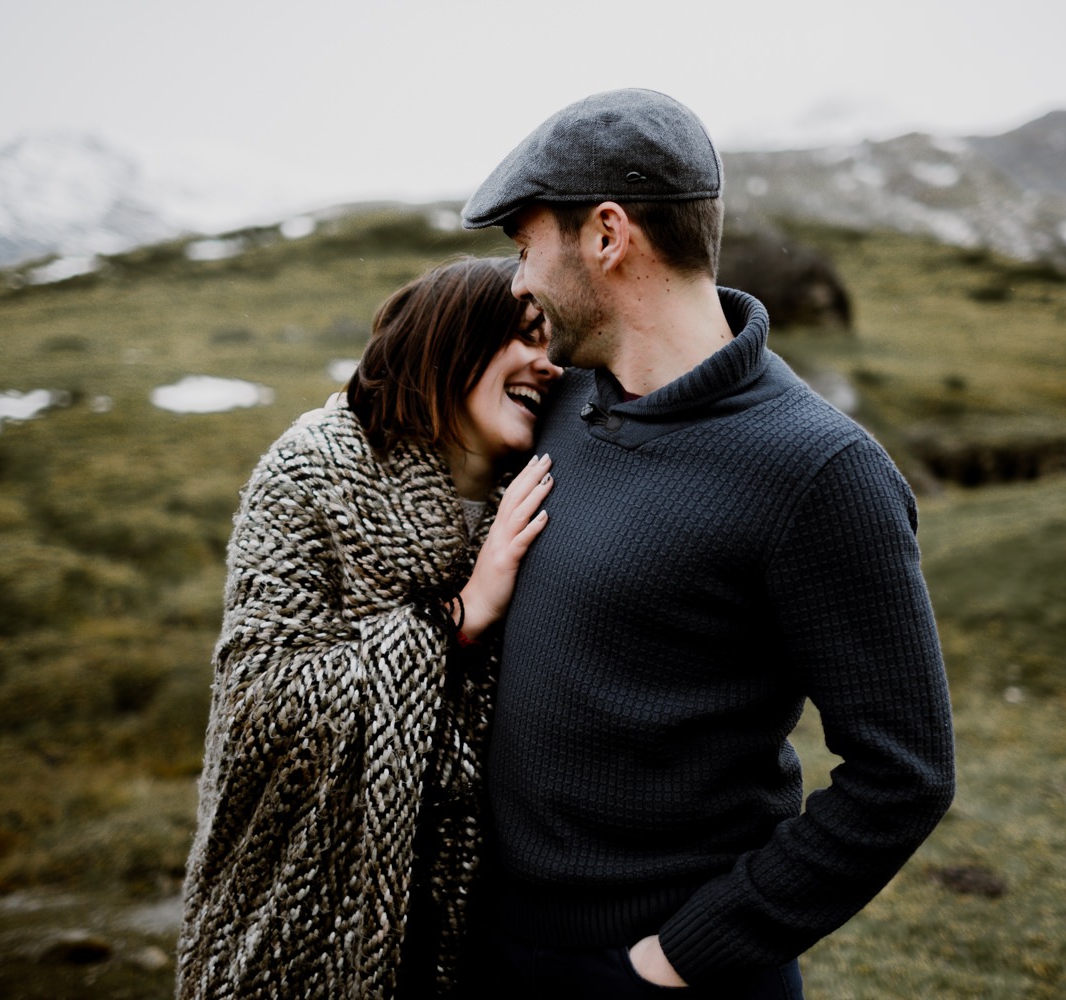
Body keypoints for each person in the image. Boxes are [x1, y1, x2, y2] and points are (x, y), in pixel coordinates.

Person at [460, 89, 957, 997]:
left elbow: (905, 775)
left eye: (526, 245)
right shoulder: (560, 403)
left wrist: (680, 956)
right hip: (492, 943)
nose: (518, 280)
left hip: (659, 969)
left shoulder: (820, 470)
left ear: (607, 235)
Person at [175, 255, 562, 999]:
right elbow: (261, 708)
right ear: (451, 338)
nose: (547, 365)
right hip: (304, 919)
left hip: (497, 932)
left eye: (556, 347)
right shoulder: (310, 476)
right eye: (523, 337)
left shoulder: (551, 491)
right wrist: (455, 618)